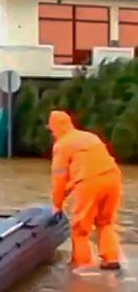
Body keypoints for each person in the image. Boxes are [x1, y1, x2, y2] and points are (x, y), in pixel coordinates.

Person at [48, 110, 122, 270]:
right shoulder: (89, 137)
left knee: (80, 229)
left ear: (54, 128)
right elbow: (88, 166)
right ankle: (111, 259)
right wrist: (69, 188)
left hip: (89, 183)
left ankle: (82, 266)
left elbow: (59, 177)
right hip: (113, 178)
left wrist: (57, 205)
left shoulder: (62, 145)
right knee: (106, 222)